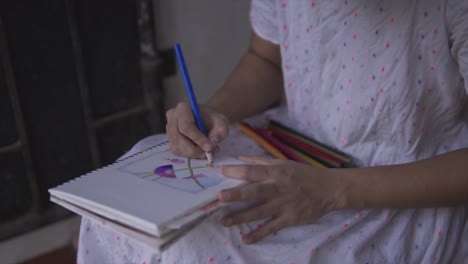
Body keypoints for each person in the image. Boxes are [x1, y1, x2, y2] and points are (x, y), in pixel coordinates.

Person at [78, 0, 468, 263]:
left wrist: (331, 192)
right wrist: (216, 111)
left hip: (398, 186)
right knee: (121, 211)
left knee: (196, 250)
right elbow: (266, 59)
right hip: (290, 141)